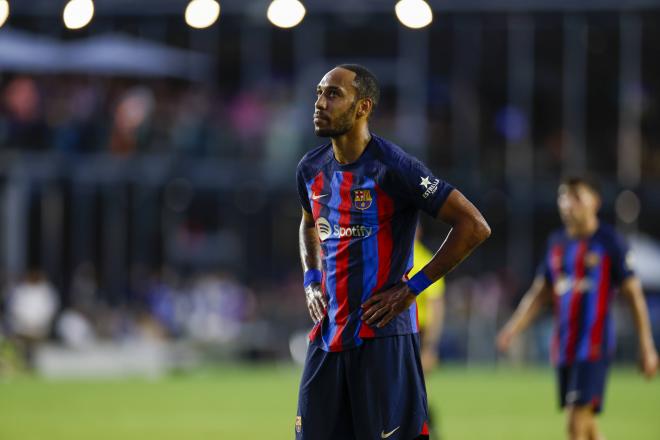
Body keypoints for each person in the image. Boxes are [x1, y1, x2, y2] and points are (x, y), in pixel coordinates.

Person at [295, 64, 490, 440]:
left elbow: (474, 226)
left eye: (333, 94)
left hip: (382, 340)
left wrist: (412, 287)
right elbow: (307, 224)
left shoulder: (394, 168)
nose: (320, 103)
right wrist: (311, 279)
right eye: (319, 93)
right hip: (328, 336)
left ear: (363, 107)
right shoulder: (310, 168)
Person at [496, 176, 658, 440]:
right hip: (564, 347)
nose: (568, 204)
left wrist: (646, 345)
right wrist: (512, 329)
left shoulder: (609, 242)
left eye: (576, 197)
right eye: (564, 197)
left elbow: (634, 294)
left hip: (593, 347)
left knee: (575, 424)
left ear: (595, 202)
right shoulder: (556, 243)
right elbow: (540, 293)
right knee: (589, 427)